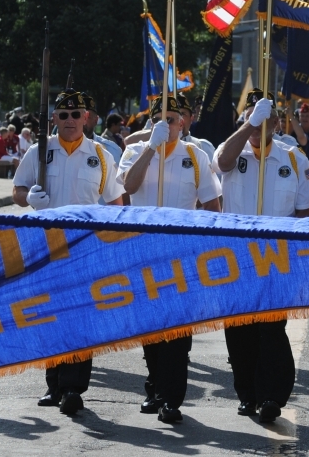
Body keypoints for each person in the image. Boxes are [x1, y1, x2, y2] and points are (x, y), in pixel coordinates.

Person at [13, 89, 124, 417]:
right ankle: (54, 383)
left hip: (85, 248)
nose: (70, 120)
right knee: (50, 316)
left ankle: (74, 387)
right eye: (63, 115)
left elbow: (115, 202)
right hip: (46, 245)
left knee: (80, 317)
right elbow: (18, 191)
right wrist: (29, 198)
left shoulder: (101, 155)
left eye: (76, 114)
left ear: (86, 118)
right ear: (54, 119)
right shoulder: (38, 151)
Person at [213, 90, 309, 422]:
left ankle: (272, 396)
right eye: (254, 116)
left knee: (271, 329)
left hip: (277, 259)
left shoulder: (293, 159)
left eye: (268, 117)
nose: (262, 123)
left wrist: (305, 258)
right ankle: (247, 394)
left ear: (276, 121)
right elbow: (223, 163)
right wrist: (248, 126)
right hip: (237, 257)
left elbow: (307, 213)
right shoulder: (233, 150)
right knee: (240, 331)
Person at [116, 95, 221, 424]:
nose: (169, 125)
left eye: (174, 119)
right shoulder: (134, 152)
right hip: (144, 252)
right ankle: (154, 387)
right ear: (151, 123)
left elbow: (212, 204)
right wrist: (151, 147)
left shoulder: (195, 155)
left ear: (183, 122)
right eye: (161, 120)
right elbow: (129, 187)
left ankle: (171, 398)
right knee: (150, 328)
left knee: (176, 330)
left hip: (181, 254)